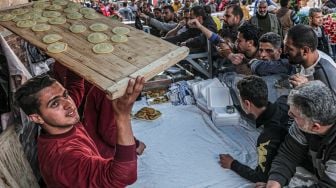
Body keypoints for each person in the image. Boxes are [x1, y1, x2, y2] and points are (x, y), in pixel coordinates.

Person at [14, 71, 144, 187]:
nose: (68, 104)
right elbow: (123, 176)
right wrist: (122, 116)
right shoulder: (65, 158)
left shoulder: (60, 121)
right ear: (37, 118)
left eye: (65, 95)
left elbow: (75, 86)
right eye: (54, 103)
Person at [265, 80, 336, 188]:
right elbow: (289, 154)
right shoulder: (306, 123)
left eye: (294, 115)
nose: (289, 114)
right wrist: (274, 182)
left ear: (315, 127)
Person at [219, 75, 290, 183]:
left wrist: (232, 164)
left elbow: (262, 177)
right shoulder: (284, 101)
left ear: (247, 104)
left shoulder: (267, 138)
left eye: (240, 100)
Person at [285, 24, 336, 94]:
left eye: (289, 48)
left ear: (305, 51)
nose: (285, 51)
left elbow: (331, 104)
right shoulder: (307, 58)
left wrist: (307, 89)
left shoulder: (323, 74)